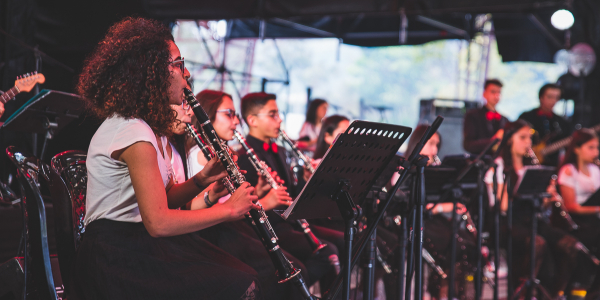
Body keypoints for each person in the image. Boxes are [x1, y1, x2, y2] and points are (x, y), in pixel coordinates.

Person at [73, 17, 262, 299]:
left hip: (136, 242)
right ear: (152, 72)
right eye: (177, 63)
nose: (185, 73)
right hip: (115, 256)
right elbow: (159, 222)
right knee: (236, 283)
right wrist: (228, 210)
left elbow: (165, 198)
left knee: (243, 274)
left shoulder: (151, 129)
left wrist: (203, 179)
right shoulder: (132, 131)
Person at [238, 92, 342, 288]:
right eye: (272, 114)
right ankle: (292, 292)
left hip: (290, 222)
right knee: (329, 253)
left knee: (340, 242)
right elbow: (247, 208)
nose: (280, 119)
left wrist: (306, 180)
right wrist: (266, 198)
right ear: (252, 120)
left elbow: (292, 194)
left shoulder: (280, 150)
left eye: (278, 113)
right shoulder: (245, 157)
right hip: (272, 228)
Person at [485, 120, 594, 299]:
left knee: (571, 246)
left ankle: (554, 293)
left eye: (529, 138)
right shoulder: (498, 165)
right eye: (522, 137)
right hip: (510, 221)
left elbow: (541, 208)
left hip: (533, 220)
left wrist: (547, 194)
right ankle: (522, 293)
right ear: (510, 139)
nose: (528, 142)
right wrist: (511, 181)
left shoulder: (533, 166)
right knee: (538, 244)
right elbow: (502, 207)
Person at [558, 129, 600, 299]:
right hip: (577, 223)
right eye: (591, 147)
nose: (596, 152)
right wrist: (597, 209)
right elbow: (571, 206)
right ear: (577, 148)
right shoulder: (568, 170)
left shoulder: (595, 170)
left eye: (597, 148)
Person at [519, 83, 571, 166]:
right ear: (541, 97)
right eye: (550, 97)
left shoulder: (562, 122)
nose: (553, 101)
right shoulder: (527, 117)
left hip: (553, 165)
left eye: (557, 97)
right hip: (527, 162)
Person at [463, 79, 509, 155]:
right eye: (493, 92)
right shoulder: (472, 116)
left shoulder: (504, 119)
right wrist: (494, 141)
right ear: (484, 94)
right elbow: (468, 145)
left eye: (499, 92)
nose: (496, 95)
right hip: (479, 161)